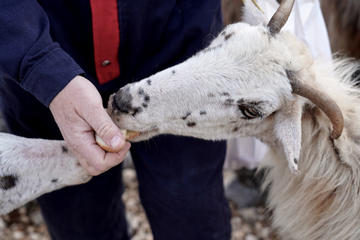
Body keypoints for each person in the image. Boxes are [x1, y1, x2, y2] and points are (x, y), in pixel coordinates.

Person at [0, 1, 230, 239]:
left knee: (190, 208)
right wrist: (42, 67)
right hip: (48, 43)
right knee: (80, 220)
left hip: (178, 40)